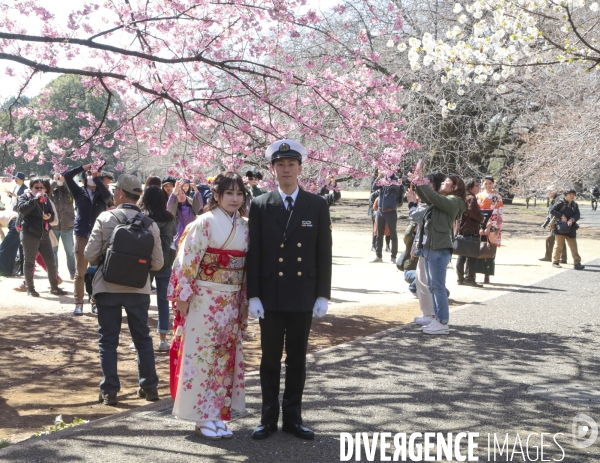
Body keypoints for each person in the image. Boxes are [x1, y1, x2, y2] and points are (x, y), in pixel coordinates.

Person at [247, 139, 332, 441]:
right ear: (273, 169)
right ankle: (268, 418)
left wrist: (323, 293)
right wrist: (253, 294)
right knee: (269, 359)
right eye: (280, 165)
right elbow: (253, 253)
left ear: (299, 168)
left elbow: (324, 252)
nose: (286, 169)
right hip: (270, 295)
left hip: (302, 294)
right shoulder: (260, 204)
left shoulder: (317, 204)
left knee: (297, 359)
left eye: (291, 164)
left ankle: (293, 419)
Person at [167, 172, 249, 440]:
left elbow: (246, 267)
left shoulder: (244, 226)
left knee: (223, 358)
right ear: (216, 195)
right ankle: (200, 417)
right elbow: (186, 262)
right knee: (200, 356)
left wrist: (244, 300)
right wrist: (183, 296)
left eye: (239, 194)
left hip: (231, 299)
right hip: (204, 298)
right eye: (229, 193)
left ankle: (216, 414)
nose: (235, 199)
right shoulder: (204, 223)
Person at [84, 174, 163, 406]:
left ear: (120, 193)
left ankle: (110, 391)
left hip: (107, 287)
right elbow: (158, 264)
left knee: (108, 340)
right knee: (142, 338)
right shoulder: (150, 224)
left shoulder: (106, 217)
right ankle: (149, 387)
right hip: (138, 290)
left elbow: (89, 255)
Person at [411, 162, 466, 335]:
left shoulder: (455, 201)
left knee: (438, 286)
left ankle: (442, 322)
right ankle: (435, 317)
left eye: (446, 182)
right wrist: (418, 181)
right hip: (431, 248)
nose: (442, 184)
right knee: (433, 286)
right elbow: (428, 197)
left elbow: (432, 198)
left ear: (455, 187)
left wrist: (421, 180)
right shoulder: (442, 201)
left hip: (439, 249)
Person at [64, 163, 112, 315]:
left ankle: (95, 302)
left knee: (96, 270)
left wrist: (97, 178)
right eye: (89, 175)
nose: (91, 177)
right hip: (82, 234)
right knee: (81, 271)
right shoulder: (79, 192)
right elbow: (67, 176)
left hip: (98, 235)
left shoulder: (102, 193)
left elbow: (107, 197)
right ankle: (78, 303)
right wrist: (83, 167)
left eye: (95, 175)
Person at [16, 178, 68, 297]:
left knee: (51, 262)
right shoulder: (25, 197)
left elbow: (52, 215)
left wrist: (48, 217)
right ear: (31, 188)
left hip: (44, 235)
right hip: (29, 234)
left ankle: (54, 288)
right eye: (36, 187)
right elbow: (23, 210)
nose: (40, 190)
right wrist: (35, 199)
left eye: (41, 187)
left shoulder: (46, 199)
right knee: (29, 263)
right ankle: (30, 288)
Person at [407, 172, 446, 326]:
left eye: (428, 184)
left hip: (432, 246)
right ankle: (428, 313)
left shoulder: (434, 202)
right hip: (426, 244)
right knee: (420, 278)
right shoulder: (431, 201)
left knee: (425, 280)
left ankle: (431, 314)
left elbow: (416, 216)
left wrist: (411, 203)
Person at [141, 186, 176, 352]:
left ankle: (139, 337)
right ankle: (163, 339)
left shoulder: (142, 217)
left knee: (141, 301)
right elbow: (172, 236)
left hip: (144, 263)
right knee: (163, 301)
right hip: (165, 262)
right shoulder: (169, 218)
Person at [456, 178, 485, 287]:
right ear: (471, 187)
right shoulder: (471, 198)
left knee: (461, 255)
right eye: (477, 185)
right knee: (472, 255)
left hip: (462, 229)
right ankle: (469, 278)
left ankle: (460, 278)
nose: (478, 187)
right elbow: (473, 213)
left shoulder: (462, 197)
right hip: (471, 229)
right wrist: (482, 219)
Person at [475, 176, 504, 284]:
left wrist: (488, 226)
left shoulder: (497, 197)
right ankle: (473, 273)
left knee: (489, 248)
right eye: (485, 183)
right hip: (480, 221)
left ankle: (487, 275)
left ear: (493, 184)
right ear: (483, 184)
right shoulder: (478, 196)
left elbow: (498, 212)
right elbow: (476, 212)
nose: (488, 185)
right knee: (477, 248)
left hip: (492, 222)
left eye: (490, 183)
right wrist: (479, 226)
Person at [371, 174, 403, 264]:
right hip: (380, 211)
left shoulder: (396, 180)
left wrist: (388, 182)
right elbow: (374, 187)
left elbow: (397, 189)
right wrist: (379, 177)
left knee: (393, 235)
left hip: (391, 211)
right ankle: (378, 256)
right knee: (379, 235)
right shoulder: (383, 179)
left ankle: (393, 257)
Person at [550, 188, 584, 270]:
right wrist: (561, 216)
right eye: (570, 194)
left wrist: (572, 219)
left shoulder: (575, 205)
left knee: (573, 246)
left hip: (571, 228)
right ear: (566, 195)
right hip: (560, 227)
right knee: (559, 246)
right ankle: (555, 262)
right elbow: (552, 210)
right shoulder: (560, 202)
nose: (572, 196)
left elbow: (577, 215)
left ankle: (577, 263)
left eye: (573, 194)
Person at [51, 173, 76, 280]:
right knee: (53, 252)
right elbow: (46, 192)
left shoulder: (69, 191)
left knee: (70, 252)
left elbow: (74, 190)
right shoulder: (51, 192)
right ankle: (55, 274)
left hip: (67, 226)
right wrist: (53, 182)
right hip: (54, 226)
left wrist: (64, 181)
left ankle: (73, 273)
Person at [167, 179, 203, 248]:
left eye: (183, 193)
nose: (181, 195)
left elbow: (200, 204)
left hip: (193, 237)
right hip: (179, 239)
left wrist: (195, 189)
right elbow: (169, 205)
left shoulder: (191, 207)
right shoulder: (174, 210)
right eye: (178, 194)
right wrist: (175, 190)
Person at [539, 191, 567, 263]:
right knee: (560, 241)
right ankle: (562, 258)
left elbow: (557, 212)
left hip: (558, 223)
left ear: (554, 192)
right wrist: (546, 223)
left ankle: (551, 257)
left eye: (549, 192)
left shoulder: (559, 200)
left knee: (552, 240)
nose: (548, 194)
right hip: (554, 223)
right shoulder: (554, 200)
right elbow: (550, 214)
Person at [0, 209, 19, 276]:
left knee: (2, 249)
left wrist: (4, 244)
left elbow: (1, 233)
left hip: (15, 223)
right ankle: (9, 271)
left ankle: (3, 271)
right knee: (12, 249)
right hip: (22, 222)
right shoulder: (3, 212)